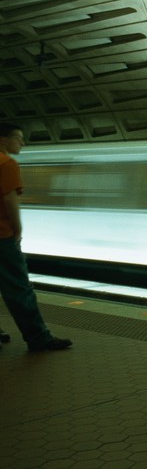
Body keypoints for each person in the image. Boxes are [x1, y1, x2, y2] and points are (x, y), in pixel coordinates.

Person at [0, 123, 72, 352]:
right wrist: (18, 230)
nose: (22, 143)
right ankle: (38, 337)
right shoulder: (6, 163)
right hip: (2, 237)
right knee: (19, 288)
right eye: (18, 138)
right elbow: (10, 200)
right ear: (3, 140)